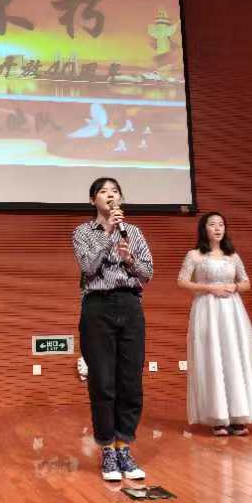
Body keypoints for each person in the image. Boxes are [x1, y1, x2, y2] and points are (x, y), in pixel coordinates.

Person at [72, 177, 153, 481]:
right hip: (98, 307)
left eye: (115, 191)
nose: (111, 196)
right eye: (104, 192)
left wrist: (130, 260)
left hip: (130, 304)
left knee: (130, 381)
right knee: (103, 382)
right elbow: (88, 267)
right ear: (93, 200)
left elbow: (148, 273)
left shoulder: (134, 232)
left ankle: (124, 446)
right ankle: (107, 448)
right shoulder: (83, 232)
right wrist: (107, 233)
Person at [177, 212, 252, 436]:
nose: (217, 228)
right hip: (207, 309)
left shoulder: (233, 256)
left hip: (232, 310)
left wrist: (235, 287)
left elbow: (246, 282)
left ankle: (239, 416)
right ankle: (217, 418)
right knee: (212, 357)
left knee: (234, 357)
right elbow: (182, 281)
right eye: (212, 224)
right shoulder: (194, 255)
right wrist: (209, 288)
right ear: (204, 229)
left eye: (221, 224)